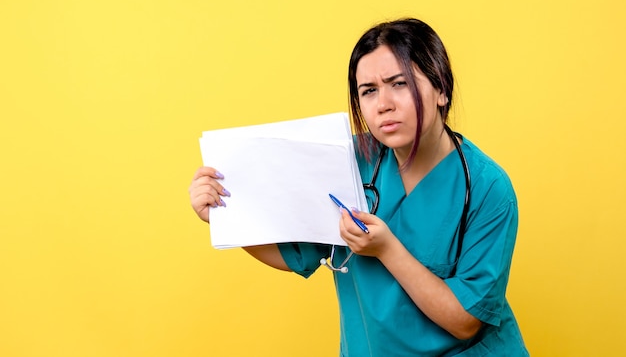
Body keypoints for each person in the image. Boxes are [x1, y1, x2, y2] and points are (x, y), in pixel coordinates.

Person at [189, 18, 529, 356]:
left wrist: (386, 249)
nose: (383, 104)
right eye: (369, 91)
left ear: (440, 88)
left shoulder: (487, 189)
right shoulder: (349, 160)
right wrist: (224, 214)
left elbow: (466, 321)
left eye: (400, 84)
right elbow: (295, 253)